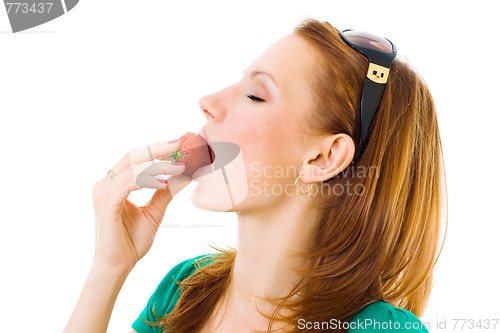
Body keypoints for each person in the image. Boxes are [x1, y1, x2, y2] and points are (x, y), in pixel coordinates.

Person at [62, 18, 447, 333]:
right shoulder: (184, 291)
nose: (208, 103)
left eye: (256, 95)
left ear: (324, 157)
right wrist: (108, 270)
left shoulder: (378, 330)